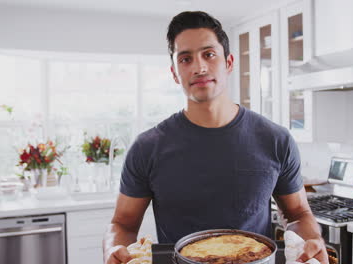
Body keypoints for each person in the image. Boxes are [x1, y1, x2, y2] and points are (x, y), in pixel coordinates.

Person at [103, 11, 328, 264]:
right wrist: (113, 248)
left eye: (209, 55)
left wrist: (311, 241)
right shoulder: (147, 148)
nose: (199, 67)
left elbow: (298, 213)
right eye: (185, 59)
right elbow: (123, 223)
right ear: (175, 73)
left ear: (229, 63)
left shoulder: (276, 140)